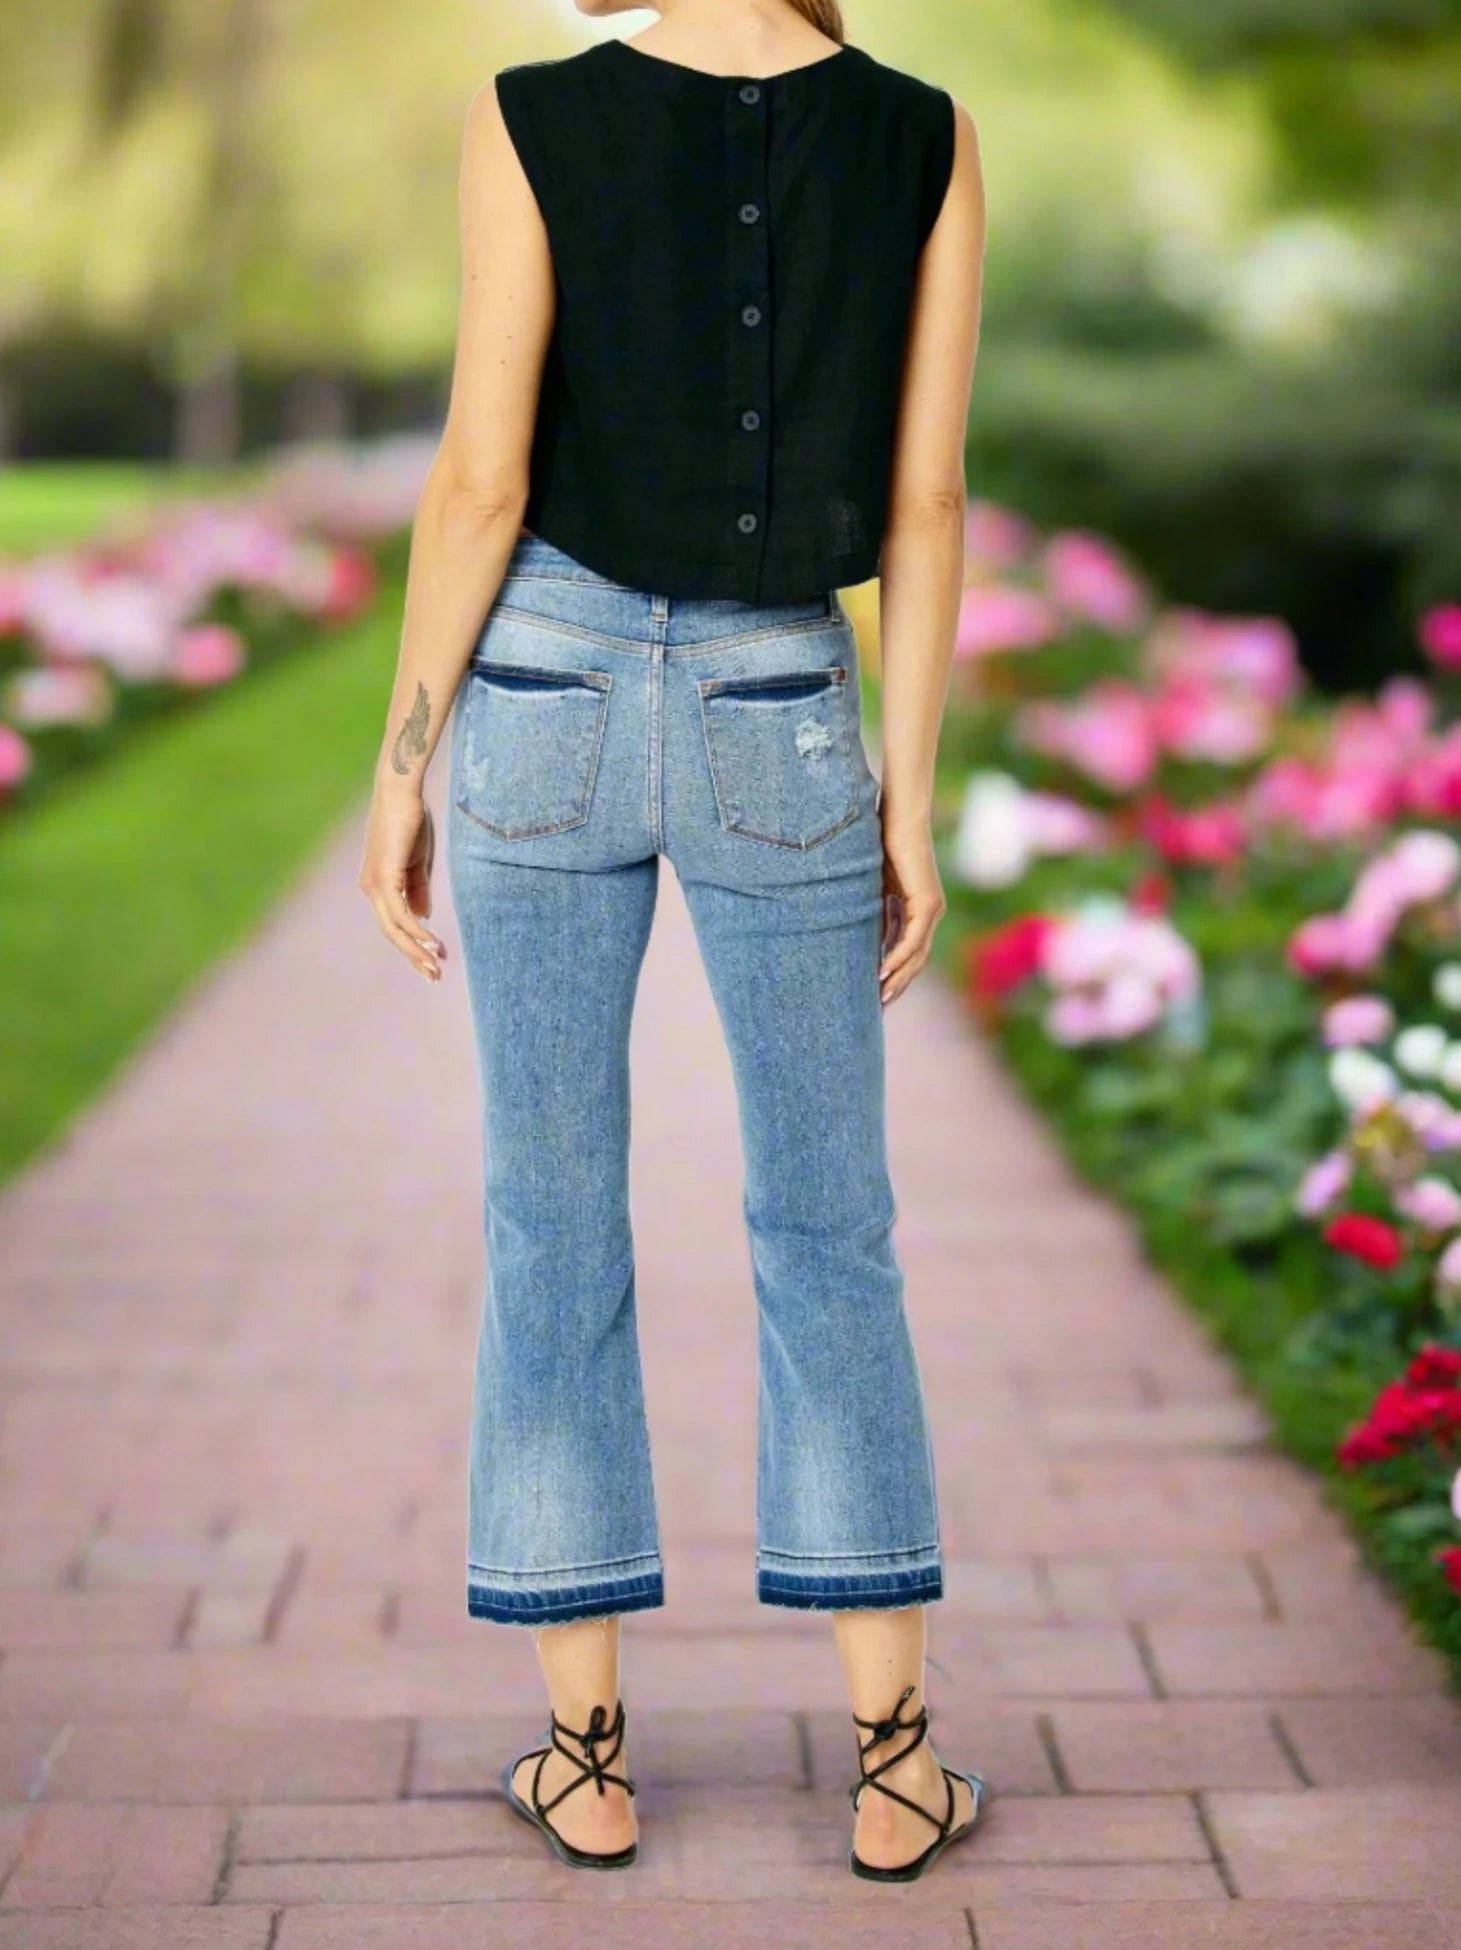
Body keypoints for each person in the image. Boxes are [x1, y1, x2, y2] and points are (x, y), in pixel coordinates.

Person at [359, 0, 985, 1884]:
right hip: (781, 696)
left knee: (551, 1214)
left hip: (541, 686)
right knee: (827, 1221)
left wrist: (401, 759)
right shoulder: (921, 132)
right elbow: (928, 495)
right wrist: (912, 789)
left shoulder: (527, 112)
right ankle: (891, 1765)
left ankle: (587, 1754)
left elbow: (480, 475)